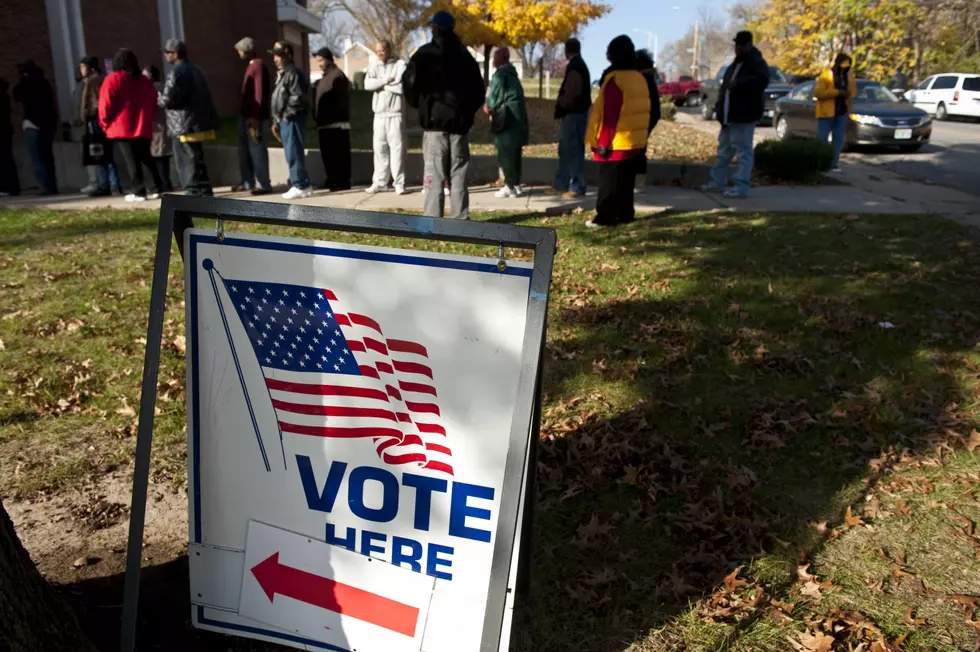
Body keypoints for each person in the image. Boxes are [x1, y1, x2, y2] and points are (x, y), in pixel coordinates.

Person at [404, 10, 484, 220]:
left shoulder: (424, 54)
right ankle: (460, 220)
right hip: (460, 126)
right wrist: (466, 114)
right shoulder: (466, 57)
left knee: (434, 175)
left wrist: (421, 106)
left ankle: (433, 221)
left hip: (434, 126)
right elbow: (478, 91)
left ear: (435, 28)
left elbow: (409, 85)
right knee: (459, 174)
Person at [584, 35, 651, 228]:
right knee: (626, 182)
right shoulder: (639, 78)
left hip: (615, 140)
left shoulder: (615, 79)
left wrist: (604, 142)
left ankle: (605, 217)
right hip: (633, 141)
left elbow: (610, 114)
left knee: (608, 182)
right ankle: (625, 214)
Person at [701, 30, 770, 199]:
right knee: (724, 151)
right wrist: (720, 109)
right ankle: (717, 182)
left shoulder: (756, 63)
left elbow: (761, 81)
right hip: (729, 116)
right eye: (736, 44)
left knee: (743, 152)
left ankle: (740, 187)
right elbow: (725, 88)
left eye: (741, 45)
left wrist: (739, 84)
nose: (737, 48)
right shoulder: (735, 64)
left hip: (743, 116)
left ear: (749, 45)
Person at [99, 49, 165, 202]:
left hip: (121, 126)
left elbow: (105, 104)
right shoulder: (144, 81)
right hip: (142, 124)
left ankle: (138, 190)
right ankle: (155, 187)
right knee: (146, 158)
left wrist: (104, 123)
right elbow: (153, 101)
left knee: (130, 160)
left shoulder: (112, 79)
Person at [160, 39, 219, 197]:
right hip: (197, 122)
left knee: (186, 158)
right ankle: (205, 189)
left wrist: (159, 99)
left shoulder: (176, 72)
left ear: (175, 54)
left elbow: (168, 98)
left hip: (182, 124)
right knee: (197, 156)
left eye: (167, 52)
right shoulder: (196, 69)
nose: (165, 55)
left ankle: (192, 190)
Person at [484, 47, 528, 198]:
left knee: (505, 153)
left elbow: (492, 100)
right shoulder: (513, 75)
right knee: (515, 153)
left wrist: (487, 104)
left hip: (505, 120)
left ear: (501, 58)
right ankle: (516, 184)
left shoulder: (500, 76)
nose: (493, 61)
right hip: (518, 120)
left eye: (495, 58)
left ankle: (509, 186)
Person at [269, 41, 312, 199]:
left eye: (278, 55)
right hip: (285, 120)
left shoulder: (293, 72)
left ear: (287, 55)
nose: (275, 59)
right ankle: (300, 183)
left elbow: (297, 98)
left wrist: (285, 116)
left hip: (293, 119)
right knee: (290, 152)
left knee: (294, 151)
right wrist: (277, 120)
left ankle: (301, 185)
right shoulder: (284, 73)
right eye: (274, 55)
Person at [364, 40, 407, 195]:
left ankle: (399, 183)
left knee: (397, 149)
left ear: (389, 49)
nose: (379, 53)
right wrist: (385, 81)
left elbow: (400, 87)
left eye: (381, 50)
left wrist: (380, 85)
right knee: (379, 149)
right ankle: (380, 182)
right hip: (379, 114)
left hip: (395, 114)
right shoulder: (373, 65)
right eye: (377, 51)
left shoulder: (400, 65)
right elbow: (367, 85)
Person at [233, 37, 273, 195]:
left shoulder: (258, 65)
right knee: (244, 150)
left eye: (240, 50)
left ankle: (264, 183)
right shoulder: (251, 66)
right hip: (245, 115)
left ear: (247, 50)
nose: (239, 53)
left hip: (254, 117)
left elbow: (259, 93)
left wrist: (256, 117)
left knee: (257, 150)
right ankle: (247, 180)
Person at [553, 38, 591, 199]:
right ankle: (562, 184)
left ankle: (577, 186)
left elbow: (573, 95)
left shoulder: (576, 68)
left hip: (574, 115)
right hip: (572, 114)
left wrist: (562, 105)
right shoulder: (577, 66)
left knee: (574, 151)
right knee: (565, 150)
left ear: (567, 50)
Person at [12, 61, 58, 194]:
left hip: (33, 122)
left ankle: (45, 186)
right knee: (47, 156)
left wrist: (22, 80)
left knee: (37, 158)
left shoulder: (27, 83)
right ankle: (52, 186)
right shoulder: (44, 82)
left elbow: (17, 94)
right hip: (48, 123)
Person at [80, 56, 122, 197]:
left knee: (100, 154)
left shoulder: (92, 82)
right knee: (107, 153)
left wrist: (85, 116)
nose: (81, 70)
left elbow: (89, 104)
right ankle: (113, 184)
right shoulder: (103, 79)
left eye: (83, 67)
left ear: (90, 68)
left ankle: (105, 185)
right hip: (107, 120)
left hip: (96, 120)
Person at [312, 47, 351, 192]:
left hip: (337, 124)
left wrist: (334, 116)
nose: (319, 63)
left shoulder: (338, 76)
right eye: (317, 61)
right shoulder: (323, 78)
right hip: (324, 124)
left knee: (338, 155)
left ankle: (341, 182)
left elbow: (341, 102)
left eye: (321, 60)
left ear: (328, 60)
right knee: (328, 156)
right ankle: (331, 179)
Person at [814, 52, 857, 173]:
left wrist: (849, 94)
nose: (845, 68)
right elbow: (818, 93)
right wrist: (837, 92)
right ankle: (820, 162)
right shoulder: (827, 75)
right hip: (826, 112)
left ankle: (834, 163)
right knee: (822, 138)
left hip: (842, 111)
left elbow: (853, 92)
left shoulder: (849, 77)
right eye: (844, 65)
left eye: (848, 66)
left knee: (838, 138)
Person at [142, 64, 174, 192]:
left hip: (156, 126)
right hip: (165, 124)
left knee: (158, 157)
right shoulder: (163, 87)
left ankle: (163, 184)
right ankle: (165, 183)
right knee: (163, 157)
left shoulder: (151, 88)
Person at [634, 49, 662, 179]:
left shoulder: (642, 79)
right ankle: (639, 180)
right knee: (640, 148)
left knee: (638, 149)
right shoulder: (649, 77)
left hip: (644, 117)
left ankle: (638, 180)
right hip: (650, 116)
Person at [0, 77, 20, 196]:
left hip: (2, 131)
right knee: (7, 158)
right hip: (6, 130)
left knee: (3, 160)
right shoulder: (5, 96)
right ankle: (13, 187)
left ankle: (4, 187)